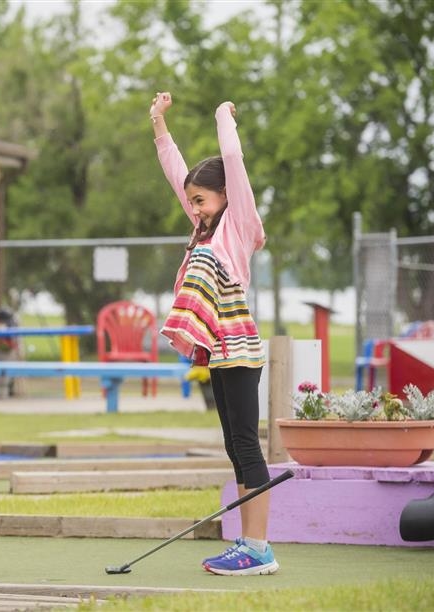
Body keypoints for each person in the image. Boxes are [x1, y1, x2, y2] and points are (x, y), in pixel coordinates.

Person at [150, 92, 277, 576]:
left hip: (240, 347)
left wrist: (223, 117)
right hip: (219, 351)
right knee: (234, 445)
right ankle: (249, 542)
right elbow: (176, 175)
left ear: (226, 196)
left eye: (202, 200)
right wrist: (160, 126)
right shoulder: (204, 228)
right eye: (193, 202)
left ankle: (260, 546)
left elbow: (233, 161)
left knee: (246, 444)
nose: (195, 208)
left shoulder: (237, 226)